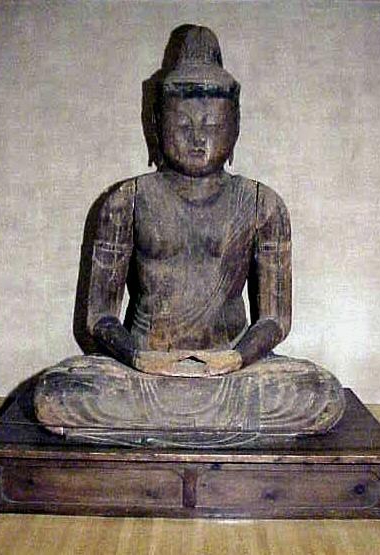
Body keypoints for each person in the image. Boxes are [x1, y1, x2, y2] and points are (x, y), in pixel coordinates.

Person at [34, 26, 345, 447]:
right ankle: (208, 428)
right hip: (145, 372)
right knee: (57, 393)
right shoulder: (127, 200)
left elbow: (276, 319)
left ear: (235, 127)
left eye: (213, 124)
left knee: (318, 394)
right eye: (183, 124)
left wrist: (234, 358)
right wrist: (139, 357)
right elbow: (99, 317)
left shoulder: (262, 203)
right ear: (157, 125)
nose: (198, 138)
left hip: (231, 371)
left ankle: (157, 430)